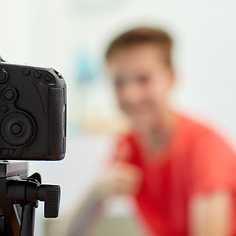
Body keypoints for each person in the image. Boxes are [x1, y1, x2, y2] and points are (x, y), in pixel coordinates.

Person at [70, 27, 236, 236]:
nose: (130, 95)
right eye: (119, 82)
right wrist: (96, 190)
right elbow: (67, 232)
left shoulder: (205, 148)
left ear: (171, 78)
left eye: (143, 79)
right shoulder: (127, 146)